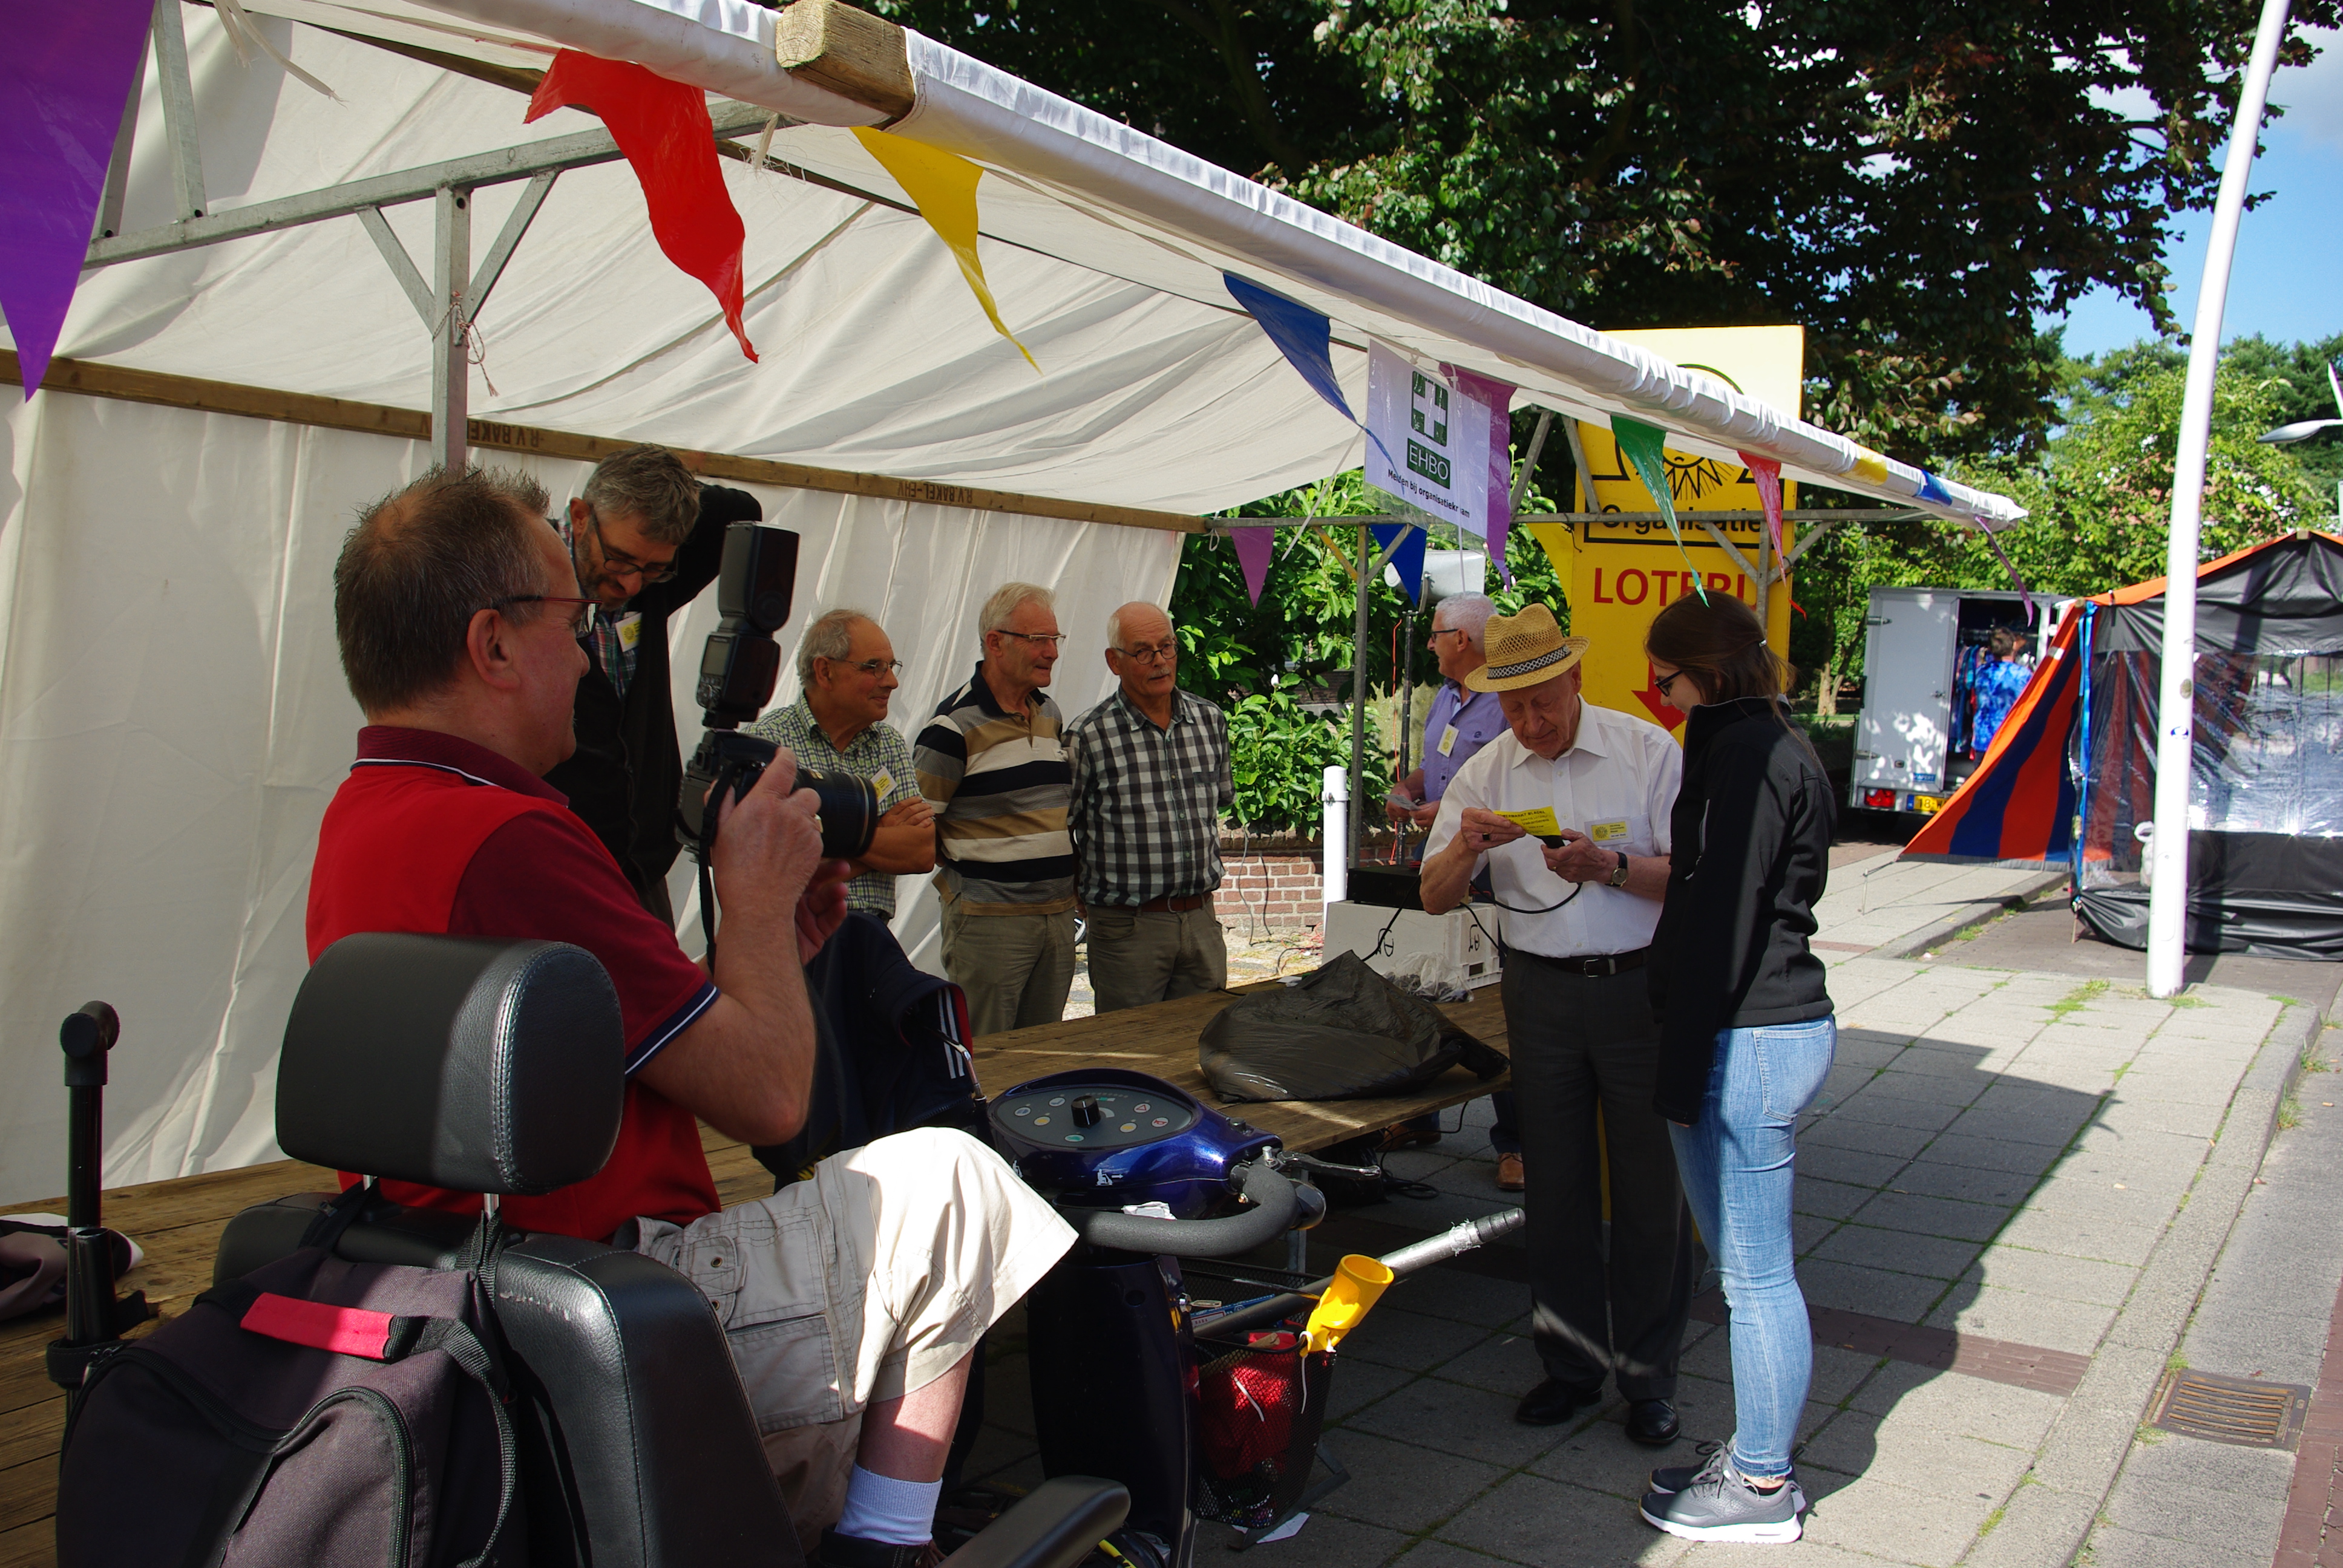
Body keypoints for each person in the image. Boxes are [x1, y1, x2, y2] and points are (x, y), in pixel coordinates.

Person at [309, 466, 1074, 1568]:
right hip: (607, 1300)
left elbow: (649, 1041)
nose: (588, 653)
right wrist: (756, 898)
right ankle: (884, 1544)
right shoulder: (514, 838)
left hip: (475, 1284)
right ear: (492, 645)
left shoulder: (369, 812)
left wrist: (761, 941)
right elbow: (766, 1092)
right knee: (953, 1181)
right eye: (574, 622)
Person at [1418, 603, 1693, 1449]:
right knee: (1558, 1187)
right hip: (1538, 992)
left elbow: (1692, 881)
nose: (1532, 723)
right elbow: (1433, 895)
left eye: (1545, 701)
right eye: (1514, 707)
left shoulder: (1647, 750)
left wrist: (1607, 865)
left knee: (1651, 1191)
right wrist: (1465, 848)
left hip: (1639, 991)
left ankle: (1649, 1381)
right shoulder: (1489, 769)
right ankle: (1569, 1367)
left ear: (1576, 679)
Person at [1637, 593, 1835, 1546]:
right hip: (1761, 1028)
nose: (1657, 695)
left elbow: (1722, 923)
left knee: (1756, 1279)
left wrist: (1676, 1073)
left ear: (1707, 674)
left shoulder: (1748, 755)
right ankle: (1756, 1457)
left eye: (1665, 679)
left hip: (1749, 1036)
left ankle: (1763, 1486)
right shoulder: (1763, 742)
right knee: (1749, 1274)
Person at [543, 443, 764, 922]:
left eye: (654, 568)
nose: (630, 585)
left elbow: (740, 512)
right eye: (620, 560)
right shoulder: (525, 574)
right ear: (579, 516)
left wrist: (669, 491)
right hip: (554, 867)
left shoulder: (648, 588)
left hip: (638, 867)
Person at [1381, 590, 1521, 1184]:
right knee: (1427, 995)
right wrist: (1407, 792)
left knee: (1501, 1013)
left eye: (1435, 634)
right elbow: (1433, 765)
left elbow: (1514, 781)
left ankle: (1515, 1144)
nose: (1430, 643)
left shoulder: (1507, 698)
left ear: (1460, 640)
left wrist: (1451, 807)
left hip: (1494, 883)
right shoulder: (1444, 695)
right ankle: (1422, 1116)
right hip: (1441, 875)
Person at [915, 584, 1078, 1036]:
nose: (1052, 652)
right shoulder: (951, 728)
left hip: (1058, 917)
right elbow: (919, 827)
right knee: (988, 1057)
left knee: (1042, 1051)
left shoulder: (1049, 714)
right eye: (1038, 640)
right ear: (995, 643)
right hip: (990, 926)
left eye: (1055, 640)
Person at [1064, 602, 1234, 1013]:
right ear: (1114, 661)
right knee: (1131, 1052)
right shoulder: (1087, 736)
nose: (1159, 662)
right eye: (1143, 652)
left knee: (1203, 1041)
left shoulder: (1210, 720)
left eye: (1167, 648)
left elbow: (1220, 802)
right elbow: (1061, 827)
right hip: (1127, 927)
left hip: (1201, 918)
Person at [750, 609, 935, 924]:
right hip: (792, 938)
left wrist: (829, 836)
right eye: (873, 667)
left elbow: (922, 852)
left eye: (891, 666)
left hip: (871, 936)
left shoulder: (888, 743)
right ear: (825, 672)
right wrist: (879, 832)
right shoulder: (769, 743)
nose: (892, 682)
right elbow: (777, 871)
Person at [1967, 626, 2032, 756]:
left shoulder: (1982, 672)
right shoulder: (2023, 675)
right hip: (2010, 739)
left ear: (1990, 650)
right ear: (2014, 646)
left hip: (1984, 739)